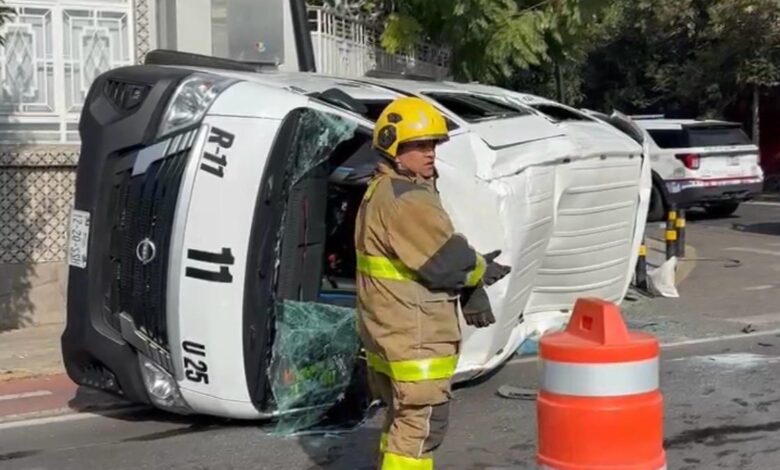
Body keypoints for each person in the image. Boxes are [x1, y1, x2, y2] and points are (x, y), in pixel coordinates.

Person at [355, 96, 511, 469]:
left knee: (402, 421)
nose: (430, 153)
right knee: (421, 428)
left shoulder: (382, 189)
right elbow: (445, 260)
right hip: (415, 333)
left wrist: (469, 267)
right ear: (393, 147)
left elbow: (423, 253)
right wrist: (477, 272)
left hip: (390, 329)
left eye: (433, 145)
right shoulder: (407, 198)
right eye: (419, 145)